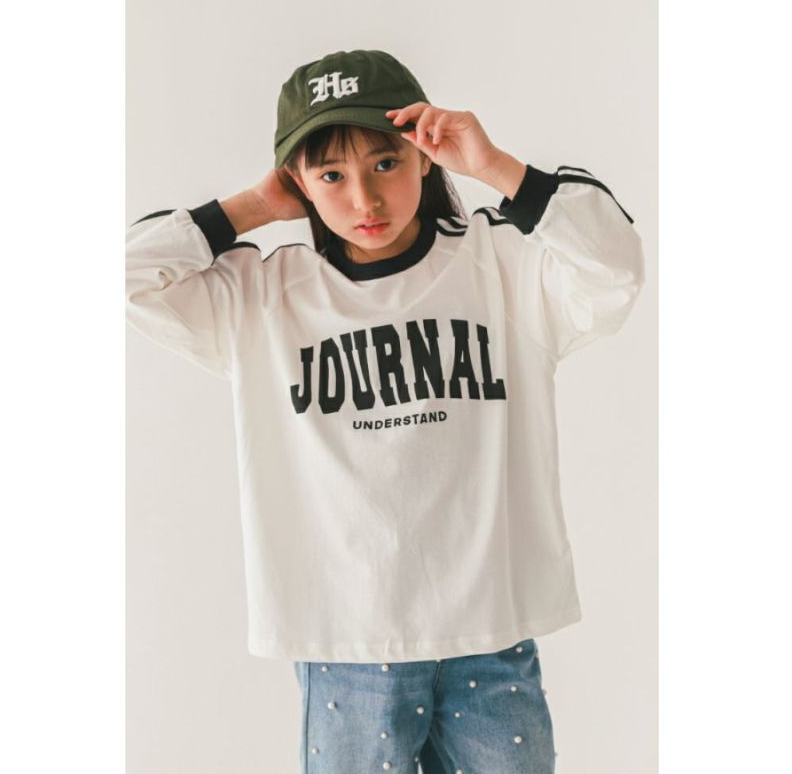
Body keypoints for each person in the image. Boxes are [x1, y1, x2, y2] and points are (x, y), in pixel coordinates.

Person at [126, 48, 645, 773]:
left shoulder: (502, 265)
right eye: (331, 176)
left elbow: (615, 264)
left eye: (385, 163)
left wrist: (495, 166)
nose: (364, 201)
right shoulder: (264, 299)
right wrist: (253, 207)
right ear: (296, 180)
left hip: (490, 631)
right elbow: (129, 275)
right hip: (347, 642)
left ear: (425, 156)